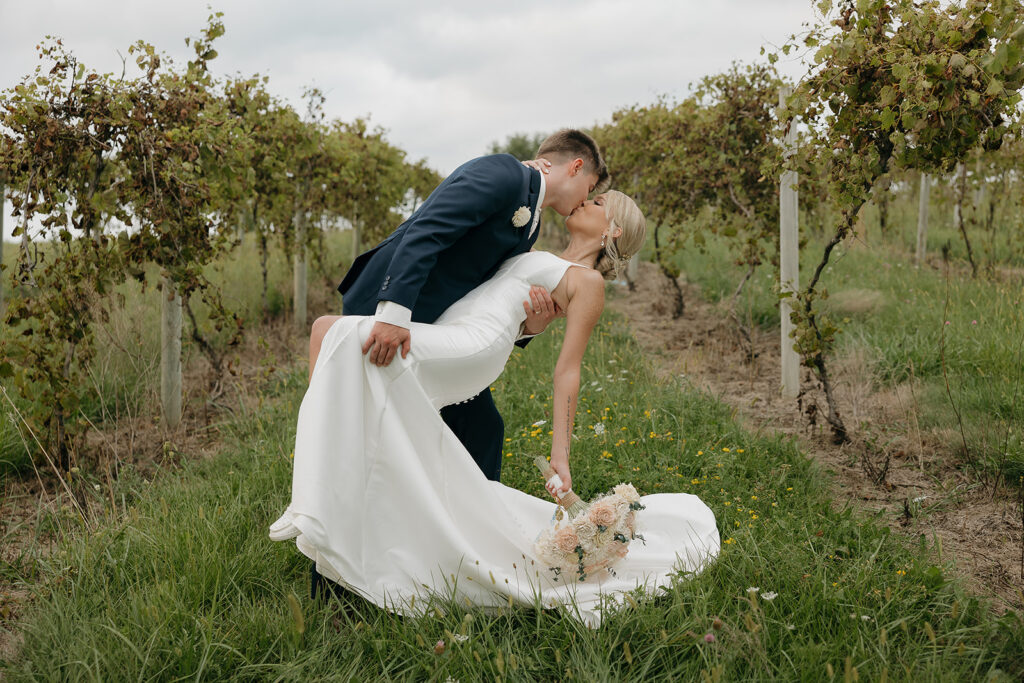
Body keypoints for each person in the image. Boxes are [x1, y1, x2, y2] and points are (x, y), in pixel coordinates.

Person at [270, 191, 720, 626]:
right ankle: (340, 504)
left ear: (614, 229)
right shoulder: (543, 250)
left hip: (473, 346)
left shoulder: (589, 282)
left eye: (599, 203)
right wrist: (532, 324)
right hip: (460, 327)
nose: (586, 200)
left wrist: (560, 458)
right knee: (342, 356)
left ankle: (318, 486)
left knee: (331, 330)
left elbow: (568, 371)